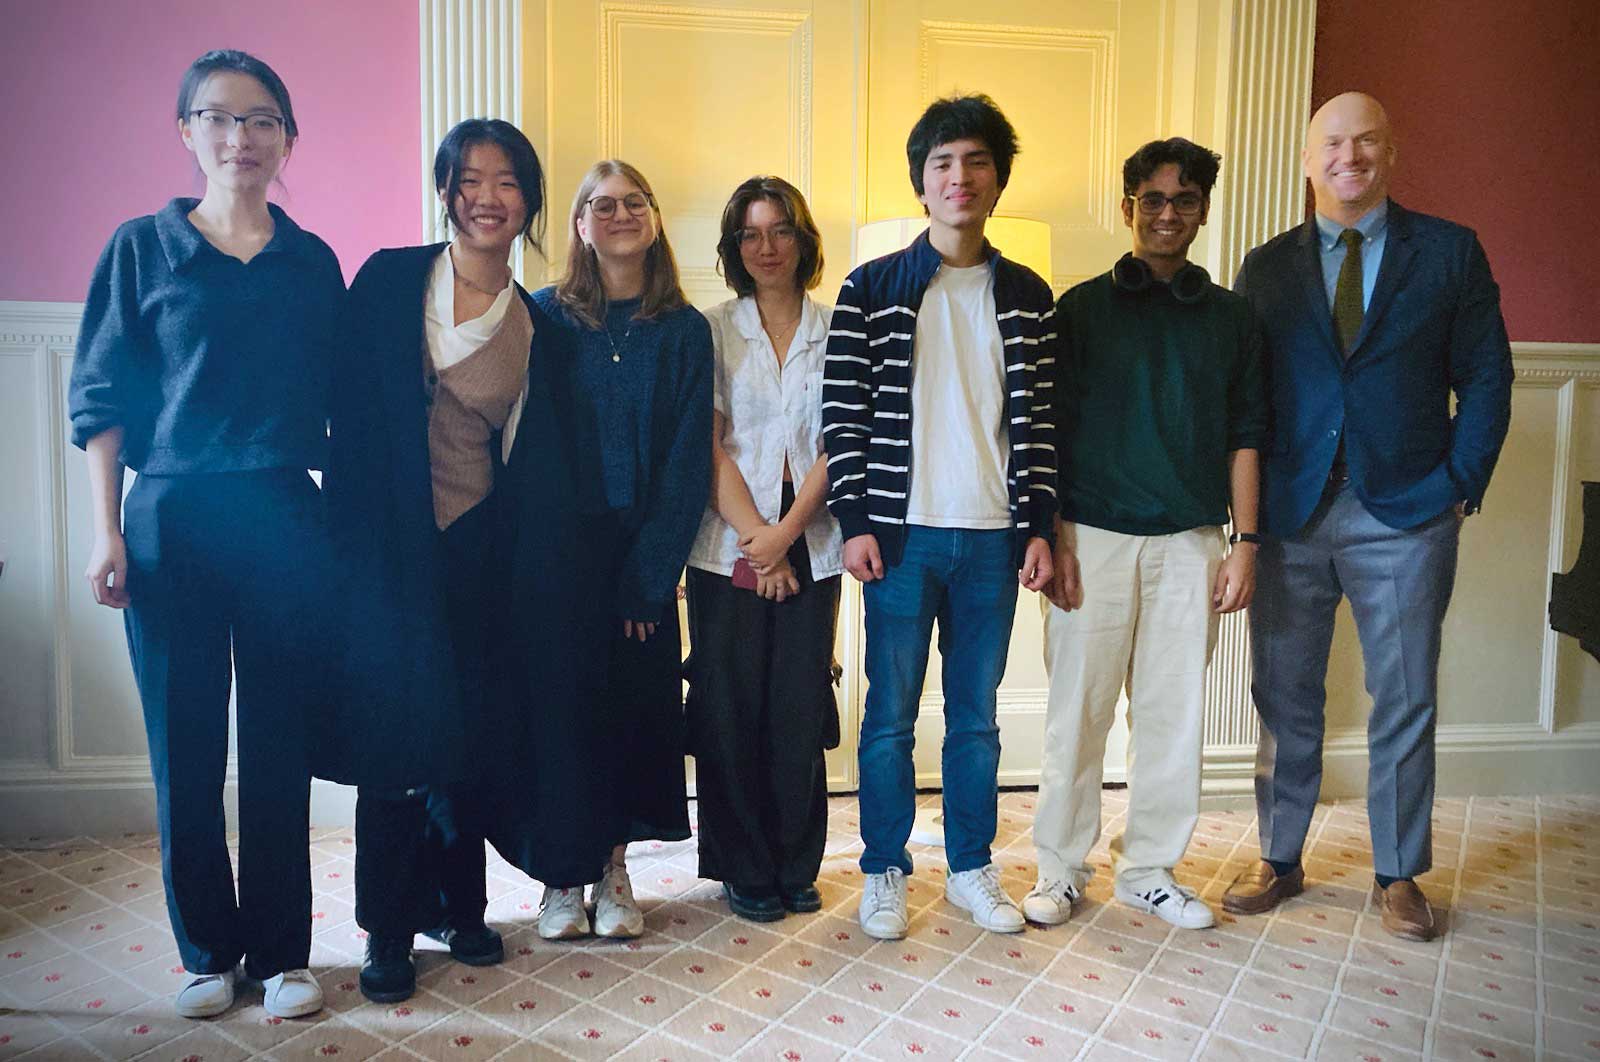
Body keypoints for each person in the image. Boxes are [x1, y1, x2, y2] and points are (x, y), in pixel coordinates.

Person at [67, 49, 341, 1020]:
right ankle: (204, 954)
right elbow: (100, 397)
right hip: (169, 515)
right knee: (184, 746)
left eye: (263, 119)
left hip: (280, 514)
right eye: (220, 118)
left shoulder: (311, 262)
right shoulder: (139, 249)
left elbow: (341, 402)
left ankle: (281, 955)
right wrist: (106, 531)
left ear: (287, 138)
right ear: (187, 132)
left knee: (277, 743)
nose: (242, 137)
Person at [1227, 92, 1514, 940]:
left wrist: (1460, 481)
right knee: (1285, 695)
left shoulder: (1449, 253)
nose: (1349, 156)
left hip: (1410, 511)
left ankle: (1398, 872)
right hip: (1292, 513)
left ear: (1392, 152)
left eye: (1367, 142)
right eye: (1333, 144)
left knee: (1404, 695)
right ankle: (1280, 856)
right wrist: (1240, 516)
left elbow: (1489, 378)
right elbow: (1245, 398)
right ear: (1308, 160)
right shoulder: (1266, 265)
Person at [321, 119, 555, 1003]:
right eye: (470, 180)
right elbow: (340, 413)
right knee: (390, 741)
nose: (486, 197)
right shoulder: (387, 278)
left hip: (471, 550)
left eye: (506, 182)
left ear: (528, 200)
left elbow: (529, 462)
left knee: (463, 733)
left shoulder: (535, 328)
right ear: (447, 191)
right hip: (381, 553)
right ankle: (386, 926)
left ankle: (461, 908)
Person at [822, 94, 1057, 940]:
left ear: (997, 179)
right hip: (901, 537)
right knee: (888, 715)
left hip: (994, 540)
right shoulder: (873, 286)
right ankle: (884, 868)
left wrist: (1039, 525)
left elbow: (1043, 424)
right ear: (922, 183)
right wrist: (854, 519)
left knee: (977, 717)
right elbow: (841, 413)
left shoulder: (1029, 294)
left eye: (977, 162)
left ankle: (969, 866)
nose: (960, 178)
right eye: (943, 164)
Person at [1025, 138, 1266, 931]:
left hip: (1191, 540)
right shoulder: (1081, 309)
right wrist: (1054, 535)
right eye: (1152, 199)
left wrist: (1246, 543)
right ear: (1128, 207)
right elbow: (1049, 430)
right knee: (1077, 711)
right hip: (1090, 537)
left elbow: (1245, 434)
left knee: (1173, 715)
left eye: (1185, 199)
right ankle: (1060, 868)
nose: (1168, 214)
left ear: (1202, 209)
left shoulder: (1233, 318)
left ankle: (1150, 868)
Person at [497, 160, 712, 941]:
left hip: (642, 550)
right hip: (557, 549)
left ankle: (614, 867)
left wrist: (650, 579)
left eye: (633, 203)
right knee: (561, 713)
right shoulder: (545, 318)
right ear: (580, 224)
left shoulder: (685, 330)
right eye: (600, 205)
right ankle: (563, 873)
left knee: (631, 714)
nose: (618, 215)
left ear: (654, 218)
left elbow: (691, 460)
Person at [684, 176, 842, 922]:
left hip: (811, 539)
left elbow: (841, 442)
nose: (766, 246)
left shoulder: (840, 326)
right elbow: (710, 447)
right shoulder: (710, 329)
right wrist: (759, 544)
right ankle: (742, 865)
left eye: (780, 230)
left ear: (802, 240)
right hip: (727, 546)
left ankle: (793, 862)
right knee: (728, 706)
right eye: (750, 234)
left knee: (797, 707)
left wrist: (784, 541)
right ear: (733, 247)